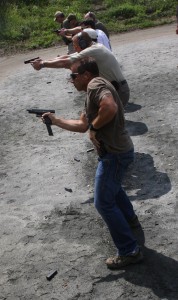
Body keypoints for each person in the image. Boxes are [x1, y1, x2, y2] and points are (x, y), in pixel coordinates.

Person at [41, 57, 143, 269]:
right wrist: (56, 120)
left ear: (86, 75)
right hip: (116, 152)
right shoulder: (91, 92)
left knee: (103, 202)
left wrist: (95, 129)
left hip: (115, 154)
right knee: (113, 190)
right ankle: (130, 220)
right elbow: (81, 125)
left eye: (73, 76)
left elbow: (110, 107)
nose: (71, 80)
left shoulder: (96, 84)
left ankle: (129, 250)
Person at [31, 32, 130, 107]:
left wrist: (43, 65)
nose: (74, 48)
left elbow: (67, 62)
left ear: (82, 44)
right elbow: (65, 57)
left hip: (118, 91)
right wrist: (43, 61)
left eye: (75, 45)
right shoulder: (94, 48)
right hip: (114, 89)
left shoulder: (94, 50)